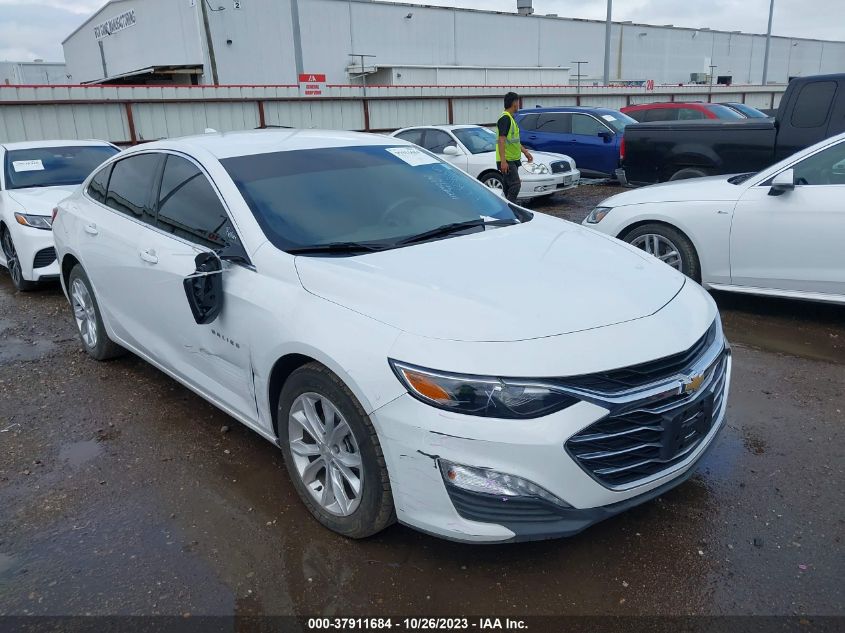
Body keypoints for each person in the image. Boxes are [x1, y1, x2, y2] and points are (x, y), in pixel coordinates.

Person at [496, 91, 533, 203]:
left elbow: (514, 142)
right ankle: (510, 208)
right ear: (515, 103)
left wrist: (525, 152)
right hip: (507, 160)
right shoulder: (505, 119)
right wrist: (503, 161)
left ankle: (505, 209)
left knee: (508, 186)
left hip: (512, 160)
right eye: (518, 102)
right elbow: (501, 140)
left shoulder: (511, 119)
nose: (519, 105)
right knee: (516, 185)